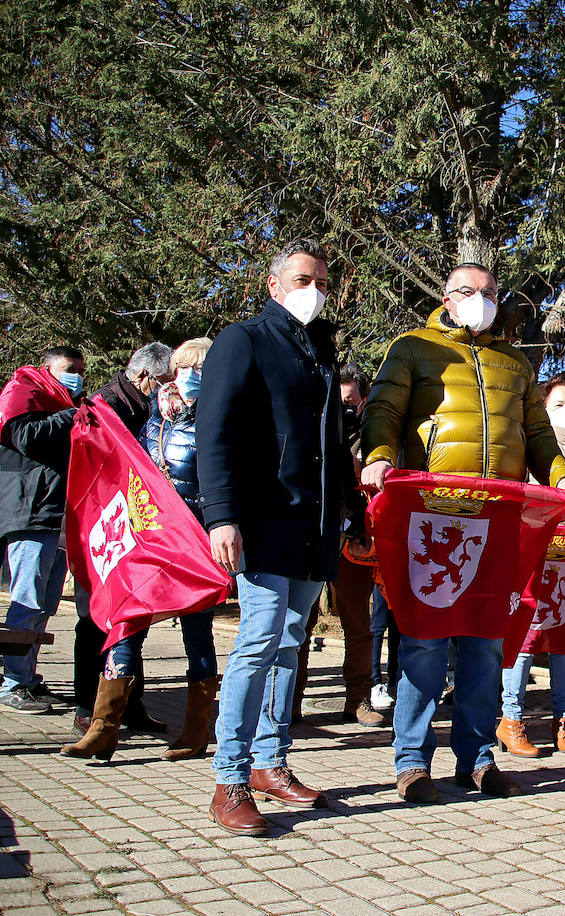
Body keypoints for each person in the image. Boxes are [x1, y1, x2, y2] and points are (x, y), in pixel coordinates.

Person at [361, 261, 565, 804]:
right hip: (433, 514)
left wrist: (563, 475)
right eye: (467, 290)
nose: (478, 299)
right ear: (445, 294)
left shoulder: (515, 363)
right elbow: (384, 410)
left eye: (488, 292)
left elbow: (537, 433)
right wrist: (378, 456)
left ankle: (477, 759)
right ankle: (412, 762)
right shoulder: (413, 348)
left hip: (497, 519)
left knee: (485, 646)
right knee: (423, 643)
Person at [197, 238, 363, 835]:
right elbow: (214, 431)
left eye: (321, 280)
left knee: (290, 643)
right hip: (263, 520)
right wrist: (221, 514)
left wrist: (354, 513)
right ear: (272, 286)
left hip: (314, 526)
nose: (313, 290)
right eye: (300, 280)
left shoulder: (321, 346)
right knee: (257, 641)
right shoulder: (242, 340)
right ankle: (230, 778)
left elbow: (331, 442)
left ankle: (270, 761)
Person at [62, 338, 222, 761]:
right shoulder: (155, 419)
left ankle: (195, 731)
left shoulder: (223, 422)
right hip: (150, 542)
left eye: (200, 369)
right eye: (182, 367)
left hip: (195, 546)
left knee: (197, 636)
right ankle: (103, 726)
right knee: (127, 624)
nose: (188, 377)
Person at [496, 375, 565, 757]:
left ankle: (563, 720)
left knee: (564, 642)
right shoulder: (531, 450)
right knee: (524, 641)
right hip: (531, 558)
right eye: (558, 405)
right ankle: (511, 719)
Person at [72, 343, 177, 736]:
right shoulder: (103, 407)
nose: (170, 388)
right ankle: (89, 706)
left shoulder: (148, 409)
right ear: (145, 377)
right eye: (165, 381)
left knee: (133, 620)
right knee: (94, 620)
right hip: (100, 531)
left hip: (135, 531)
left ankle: (131, 705)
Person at [294, 363, 385, 728]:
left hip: (356, 539)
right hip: (313, 536)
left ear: (363, 401)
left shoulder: (374, 439)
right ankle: (291, 700)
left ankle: (358, 699)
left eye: (351, 402)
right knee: (300, 621)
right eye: (339, 401)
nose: (345, 408)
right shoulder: (313, 429)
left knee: (358, 622)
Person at [0, 346, 84, 715]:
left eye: (81, 369)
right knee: (27, 598)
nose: (77, 375)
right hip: (29, 512)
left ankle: (27, 678)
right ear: (48, 367)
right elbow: (25, 437)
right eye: (70, 369)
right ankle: (13, 683)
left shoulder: (62, 399)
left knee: (45, 604)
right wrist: (70, 415)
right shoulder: (25, 390)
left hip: (55, 515)